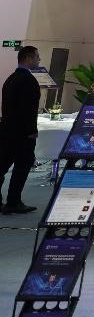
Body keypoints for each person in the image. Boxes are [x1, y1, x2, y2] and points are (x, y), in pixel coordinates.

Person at [0, 46, 41, 214]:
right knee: (22, 166)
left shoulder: (10, 79)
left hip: (7, 130)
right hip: (22, 134)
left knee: (2, 165)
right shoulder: (28, 80)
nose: (39, 60)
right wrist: (32, 130)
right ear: (28, 58)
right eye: (37, 57)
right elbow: (28, 109)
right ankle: (13, 201)